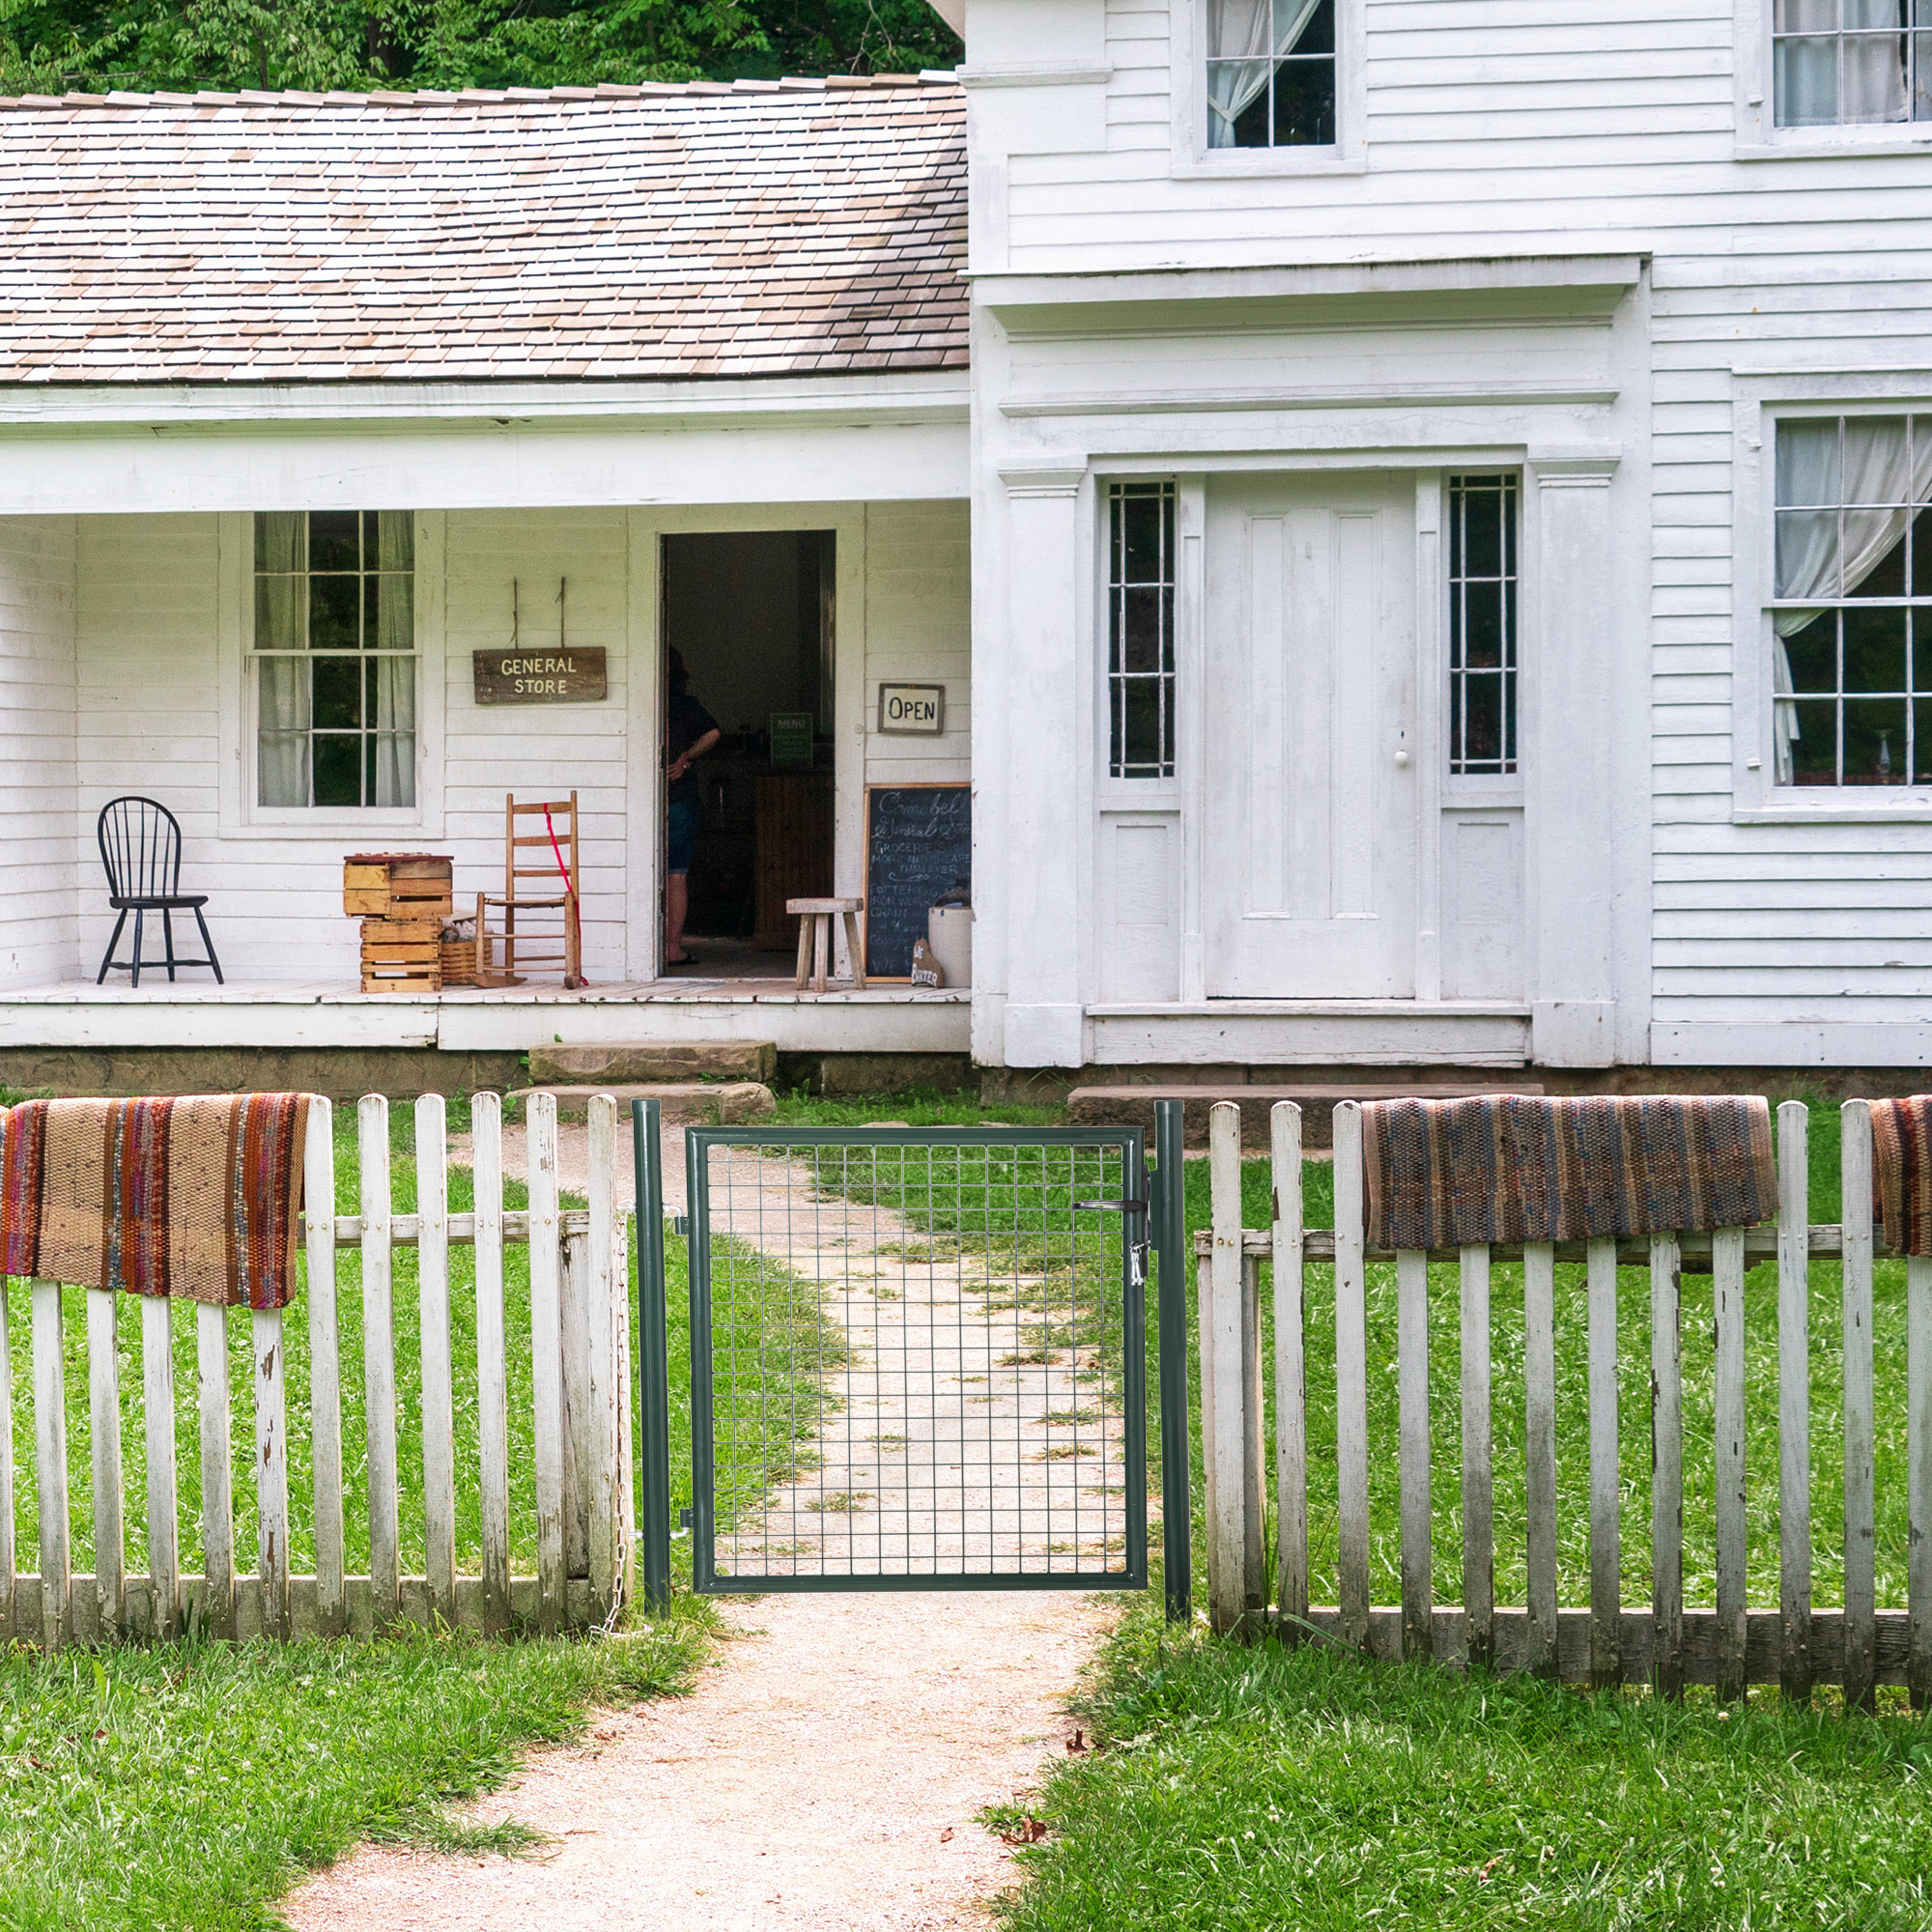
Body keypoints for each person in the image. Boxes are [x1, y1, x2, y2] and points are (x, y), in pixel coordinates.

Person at [664, 647, 721, 968]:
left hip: (649, 797)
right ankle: (673, 949)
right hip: (681, 797)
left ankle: (648, 947)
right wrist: (686, 758)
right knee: (676, 875)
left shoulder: (649, 701)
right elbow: (713, 733)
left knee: (649, 873)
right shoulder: (685, 704)